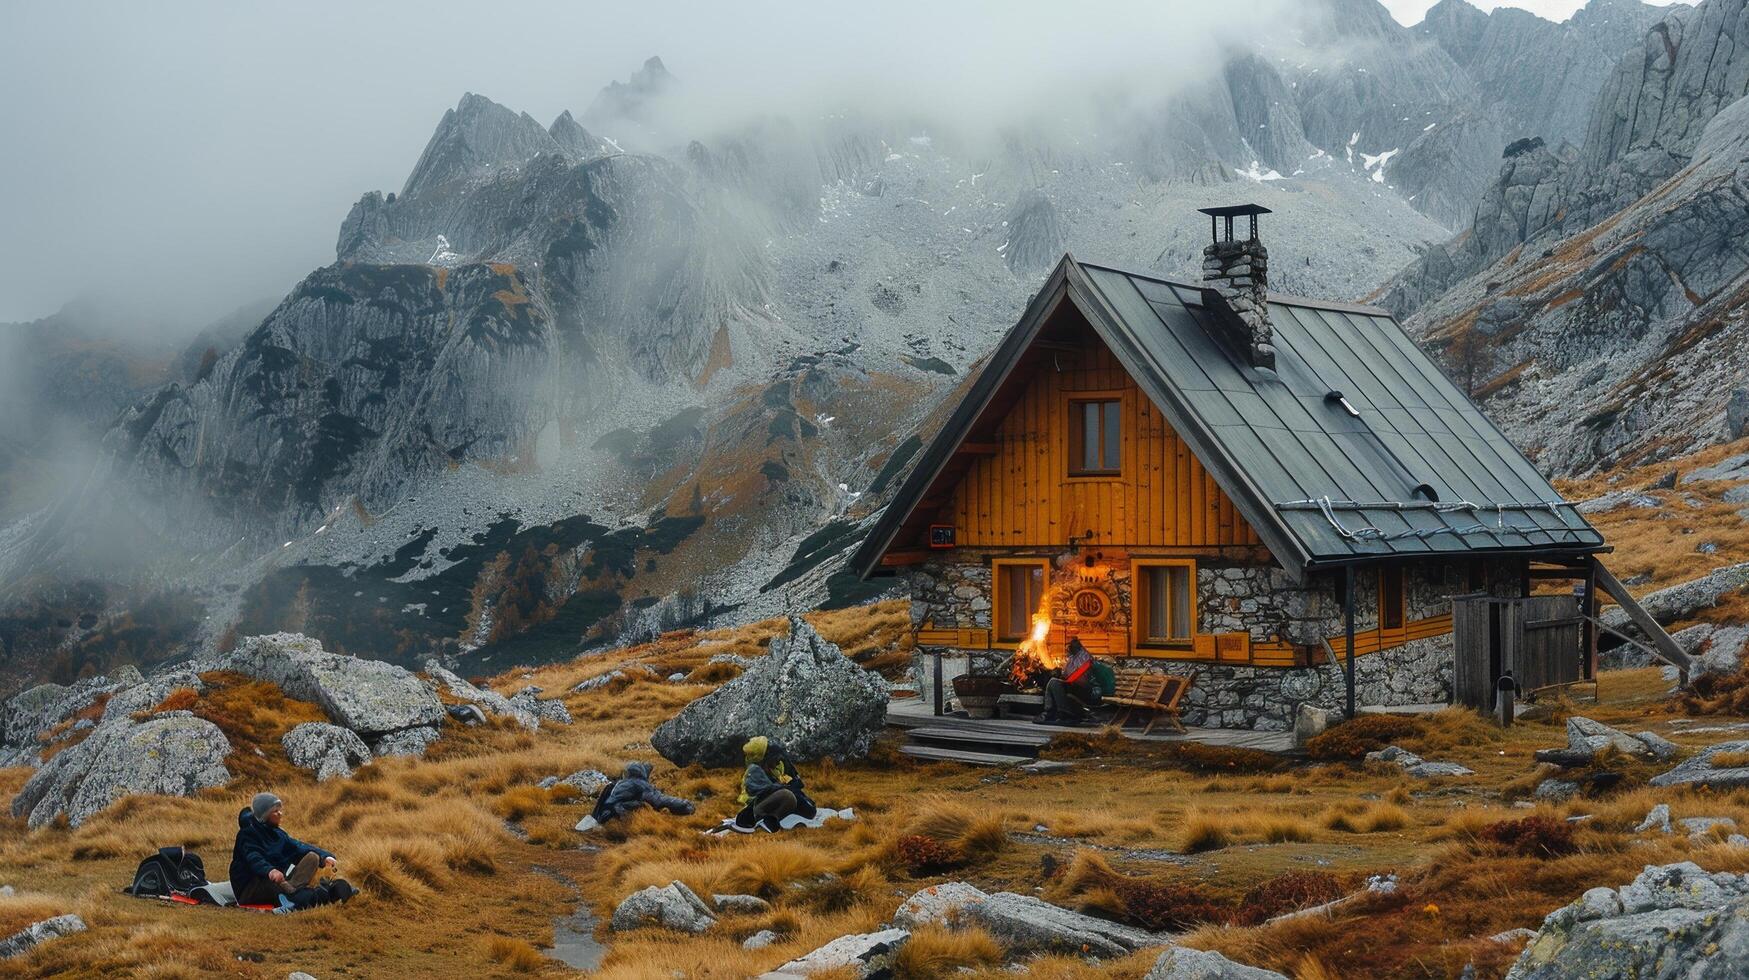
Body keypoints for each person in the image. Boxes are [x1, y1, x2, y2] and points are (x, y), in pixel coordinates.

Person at [230, 792, 352, 909]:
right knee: (279, 889)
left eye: (280, 810)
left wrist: (325, 857)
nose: (280, 814)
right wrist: (270, 871)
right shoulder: (247, 835)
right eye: (275, 811)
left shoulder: (277, 833)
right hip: (250, 888)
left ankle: (295, 891)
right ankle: (319, 894)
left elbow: (299, 847)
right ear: (265, 815)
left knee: (313, 857)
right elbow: (254, 857)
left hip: (280, 880)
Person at [732, 736, 816, 833]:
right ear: (766, 758)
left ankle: (770, 821)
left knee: (803, 805)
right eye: (776, 758)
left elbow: (797, 783)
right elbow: (762, 791)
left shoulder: (776, 769)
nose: (778, 761)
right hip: (757, 808)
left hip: (769, 804)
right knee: (788, 795)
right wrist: (783, 786)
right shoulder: (755, 770)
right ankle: (767, 822)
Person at [590, 762, 696, 824]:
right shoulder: (640, 784)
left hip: (604, 813)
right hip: (619, 813)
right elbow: (658, 801)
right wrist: (684, 804)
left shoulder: (618, 783)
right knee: (644, 805)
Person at [1036, 638, 1101, 725]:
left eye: (1070, 646)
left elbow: (1080, 676)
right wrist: (1061, 676)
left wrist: (1066, 681)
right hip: (1076, 685)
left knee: (1054, 683)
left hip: (1086, 689)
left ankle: (1064, 713)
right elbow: (1067, 673)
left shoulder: (1084, 656)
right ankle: (1050, 711)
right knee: (1053, 682)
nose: (1068, 649)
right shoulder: (1073, 657)